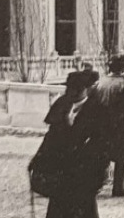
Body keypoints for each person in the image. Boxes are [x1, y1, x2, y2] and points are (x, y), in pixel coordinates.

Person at [29, 69, 105, 218]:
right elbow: (50, 137)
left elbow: (102, 144)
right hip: (61, 172)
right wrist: (38, 159)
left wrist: (98, 172)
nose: (72, 93)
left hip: (84, 173)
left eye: (76, 89)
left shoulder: (97, 109)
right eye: (70, 89)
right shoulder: (61, 104)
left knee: (84, 210)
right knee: (58, 209)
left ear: (85, 89)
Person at [89, 54, 124, 198]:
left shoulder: (101, 82)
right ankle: (118, 188)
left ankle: (94, 186)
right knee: (122, 158)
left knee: (102, 157)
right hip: (121, 128)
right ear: (123, 68)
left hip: (101, 128)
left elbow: (91, 105)